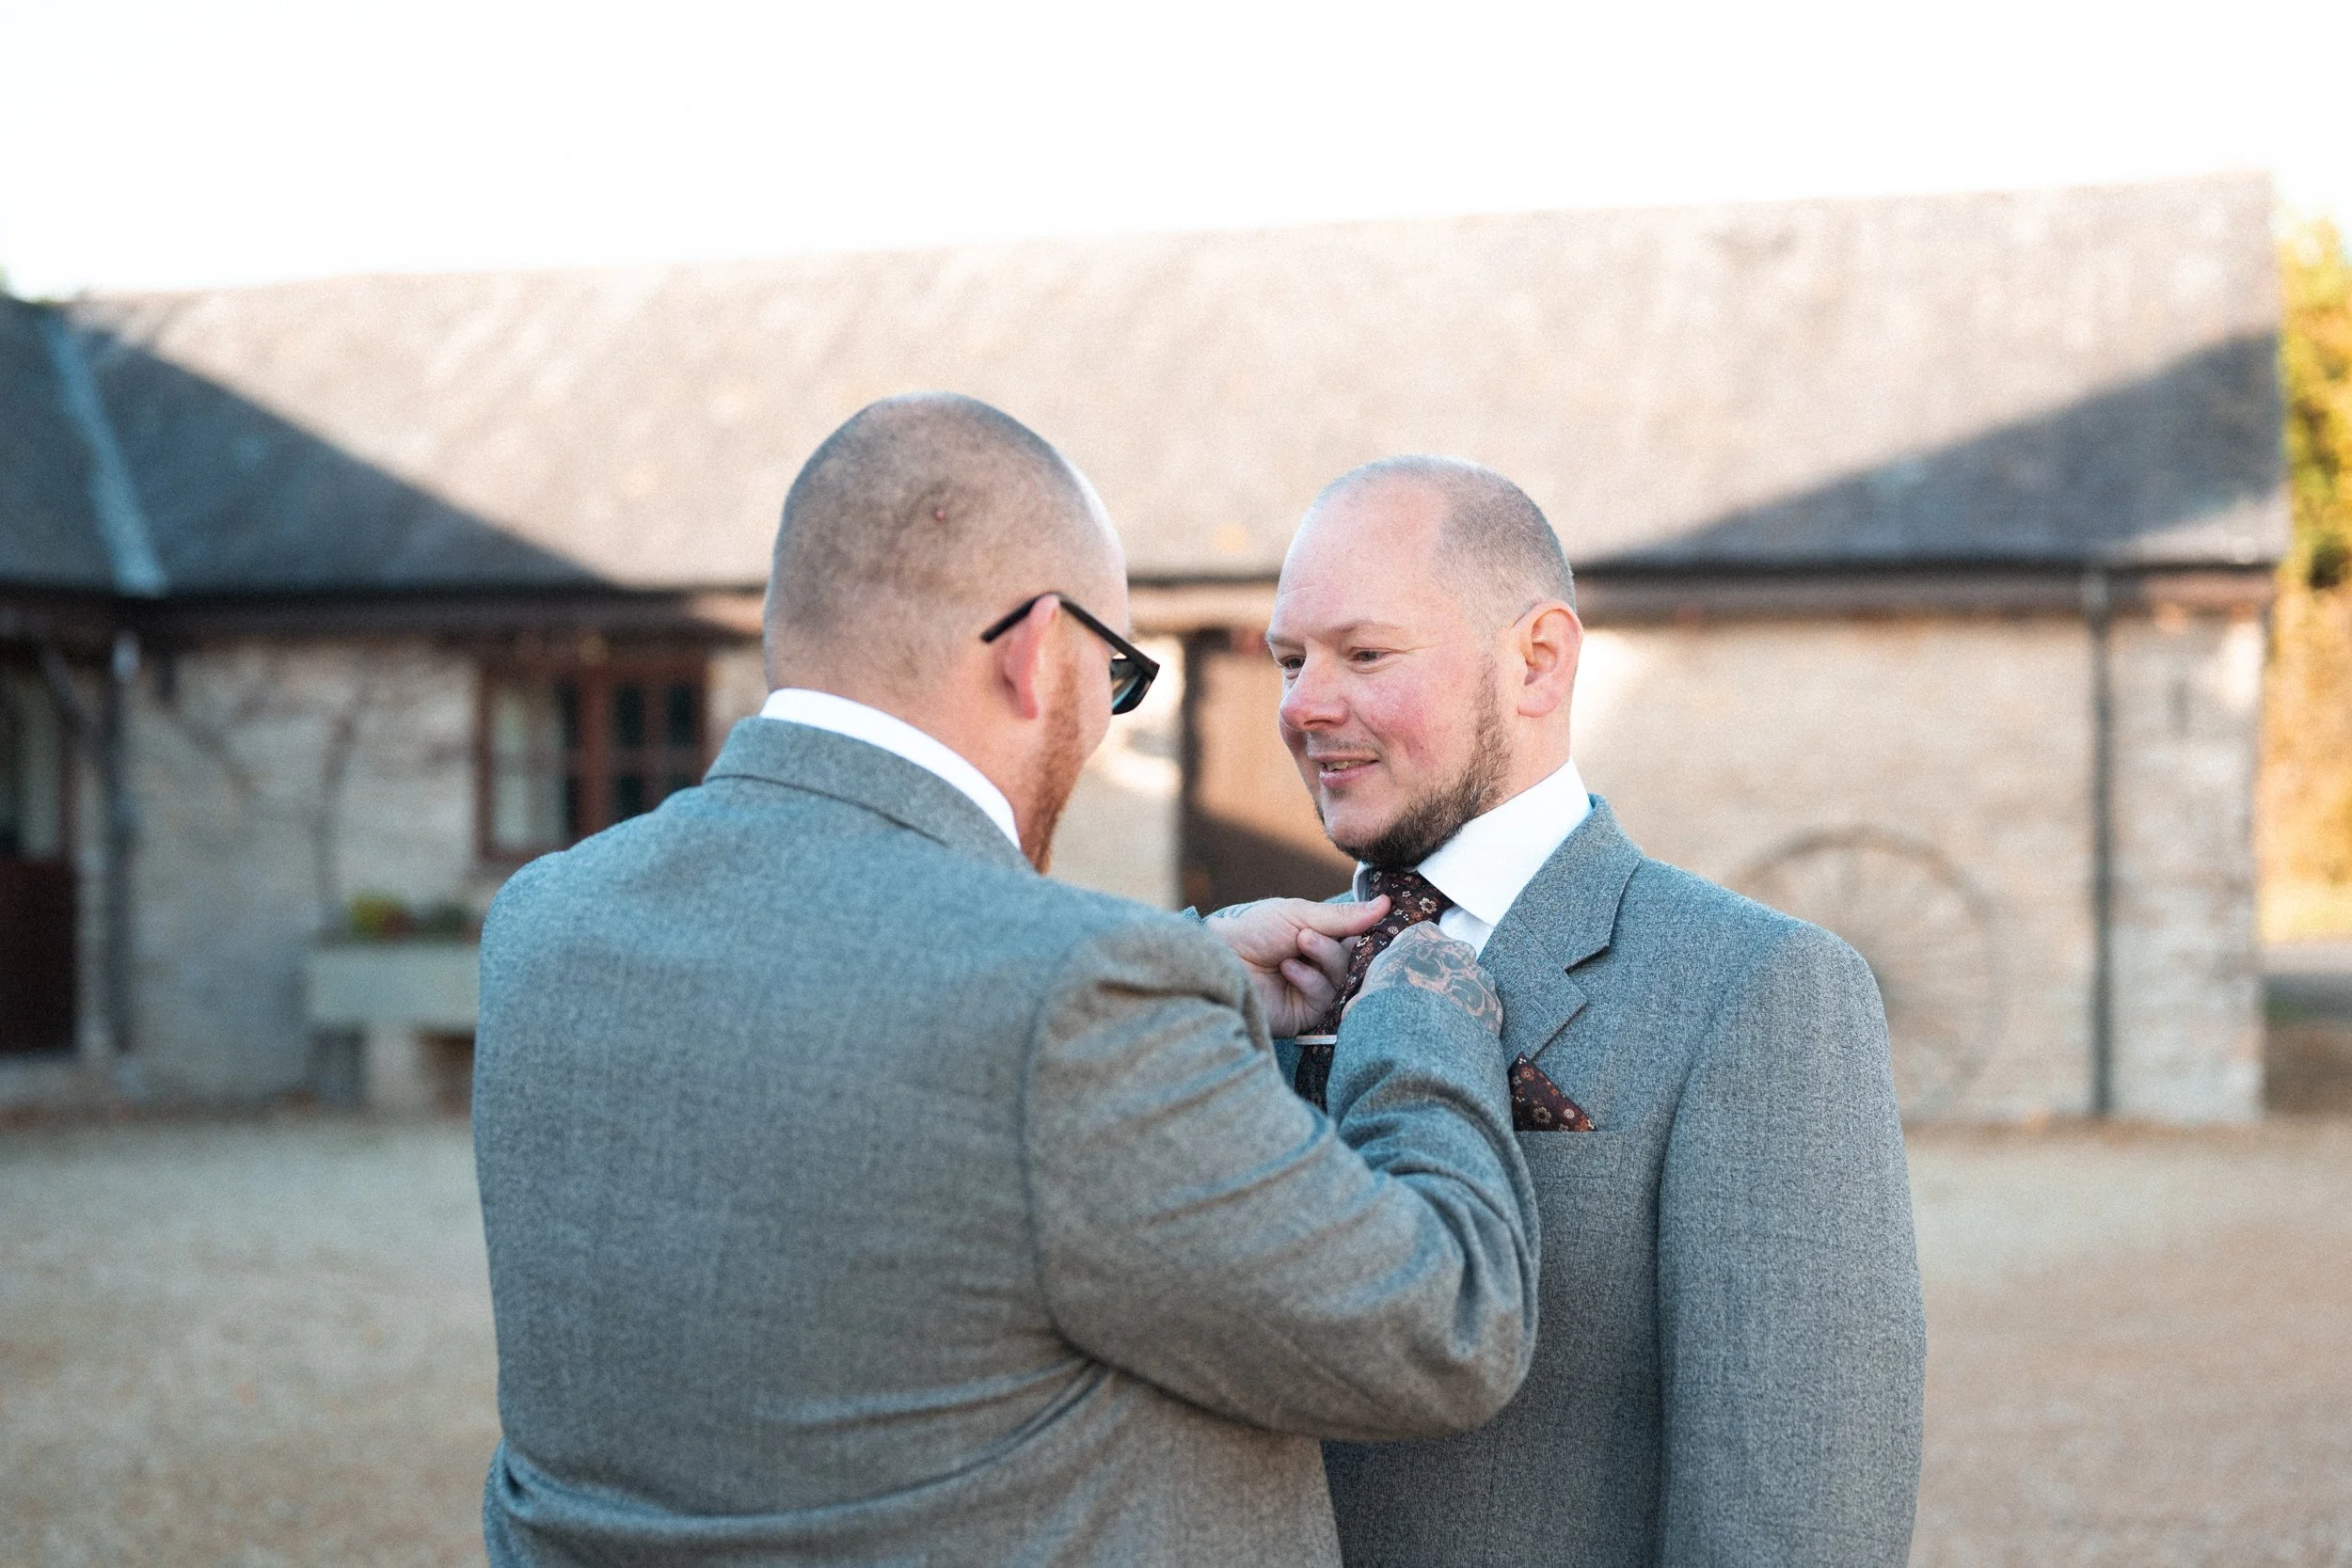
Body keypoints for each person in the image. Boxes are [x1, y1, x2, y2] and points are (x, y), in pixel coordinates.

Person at [469, 398, 1541, 1567]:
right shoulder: (1069, 1000)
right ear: (1037, 652)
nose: (1099, 730)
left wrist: (1185, 971)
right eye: (1115, 678)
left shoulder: (548, 921)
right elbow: (1445, 1331)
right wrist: (1418, 1004)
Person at [1249, 455, 1926, 1567]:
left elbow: (1799, 1518)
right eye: (1288, 658)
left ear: (1538, 659)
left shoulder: (1757, 990)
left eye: (1363, 653)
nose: (1301, 704)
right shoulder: (1248, 981)